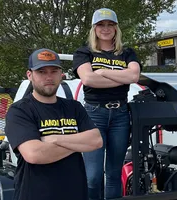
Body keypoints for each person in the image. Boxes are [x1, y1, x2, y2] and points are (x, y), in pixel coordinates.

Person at [5, 48, 103, 200]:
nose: (49, 77)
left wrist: (55, 139)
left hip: (75, 193)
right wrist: (78, 142)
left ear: (61, 75)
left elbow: (96, 141)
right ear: (30, 75)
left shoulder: (74, 107)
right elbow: (34, 154)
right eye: (42, 72)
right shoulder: (20, 110)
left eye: (53, 71)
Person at [72, 8, 142, 199]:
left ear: (116, 28)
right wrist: (122, 77)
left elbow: (134, 75)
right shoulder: (84, 52)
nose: (105, 28)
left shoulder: (127, 53)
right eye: (101, 25)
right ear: (94, 28)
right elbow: (88, 80)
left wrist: (102, 72)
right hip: (94, 114)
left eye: (110, 24)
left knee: (113, 174)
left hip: (120, 114)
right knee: (93, 176)